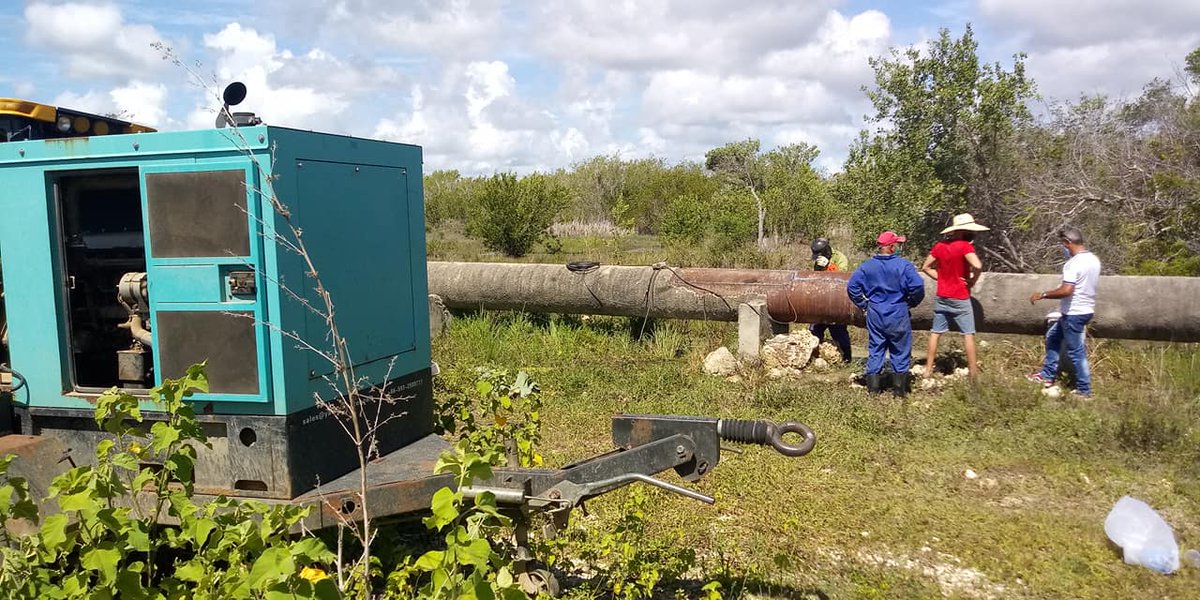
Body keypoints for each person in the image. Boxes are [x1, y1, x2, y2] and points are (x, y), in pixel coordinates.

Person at [847, 231, 925, 396]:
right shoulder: (904, 266)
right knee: (900, 350)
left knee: (876, 349)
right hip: (898, 311)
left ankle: (873, 391)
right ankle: (899, 391)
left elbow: (852, 287)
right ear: (891, 247)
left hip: (875, 312)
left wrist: (864, 304)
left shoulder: (867, 266)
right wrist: (912, 302)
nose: (898, 247)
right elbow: (918, 287)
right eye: (896, 244)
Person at [1027, 226, 1101, 397]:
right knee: (1053, 337)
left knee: (1076, 352)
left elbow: (1067, 290)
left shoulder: (1073, 264)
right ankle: (1047, 375)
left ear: (1068, 243)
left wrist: (1043, 294)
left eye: (1063, 245)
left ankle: (1084, 390)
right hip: (1086, 309)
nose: (1064, 248)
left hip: (1074, 313)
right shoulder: (1093, 260)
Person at [920, 213, 988, 377]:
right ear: (964, 231)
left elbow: (926, 267)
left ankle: (928, 370)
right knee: (968, 334)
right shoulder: (965, 246)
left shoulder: (940, 246)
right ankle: (973, 372)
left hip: (943, 294)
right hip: (960, 296)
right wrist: (972, 280)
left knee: (935, 333)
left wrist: (942, 278)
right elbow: (977, 265)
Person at [809, 238, 852, 363]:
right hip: (821, 301)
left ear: (827, 251)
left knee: (839, 332)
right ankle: (811, 358)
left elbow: (843, 278)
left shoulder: (840, 258)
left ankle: (847, 359)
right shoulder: (818, 260)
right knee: (814, 331)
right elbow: (816, 278)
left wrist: (829, 266)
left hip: (836, 302)